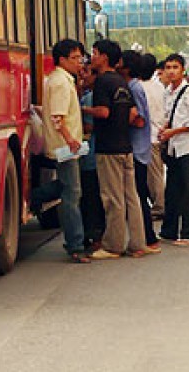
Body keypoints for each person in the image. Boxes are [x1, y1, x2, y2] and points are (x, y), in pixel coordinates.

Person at [84, 39, 147, 259]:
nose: (92, 57)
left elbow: (103, 112)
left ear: (104, 57)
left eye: (94, 53)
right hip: (125, 146)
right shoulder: (122, 82)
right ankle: (138, 243)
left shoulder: (102, 82)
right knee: (131, 196)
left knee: (112, 198)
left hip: (108, 147)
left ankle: (113, 245)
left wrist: (82, 108)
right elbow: (132, 114)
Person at [40, 39, 91, 263]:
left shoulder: (62, 80)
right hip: (66, 147)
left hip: (67, 145)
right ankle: (76, 245)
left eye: (80, 57)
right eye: (75, 58)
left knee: (65, 186)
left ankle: (31, 199)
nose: (80, 62)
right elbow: (58, 119)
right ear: (62, 60)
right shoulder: (60, 82)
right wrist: (71, 140)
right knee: (72, 195)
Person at [158, 53, 189, 247]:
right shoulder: (167, 92)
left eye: (175, 67)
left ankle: (188, 233)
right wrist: (166, 130)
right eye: (168, 67)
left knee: (188, 191)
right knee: (172, 189)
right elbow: (169, 116)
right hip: (174, 147)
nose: (171, 71)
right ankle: (169, 230)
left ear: (183, 70)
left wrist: (174, 131)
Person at [121, 50, 161, 251]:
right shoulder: (134, 86)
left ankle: (149, 237)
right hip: (140, 148)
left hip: (137, 149)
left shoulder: (133, 88)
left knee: (138, 195)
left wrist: (121, 119)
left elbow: (140, 119)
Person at [78, 59, 105, 250]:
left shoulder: (89, 99)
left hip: (89, 156)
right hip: (94, 155)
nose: (83, 75)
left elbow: (88, 126)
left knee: (90, 198)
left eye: (87, 72)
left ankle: (94, 237)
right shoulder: (89, 95)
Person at [139, 53, 166, 219]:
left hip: (149, 137)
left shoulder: (141, 88)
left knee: (153, 175)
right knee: (157, 172)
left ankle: (159, 207)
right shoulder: (158, 86)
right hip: (159, 134)